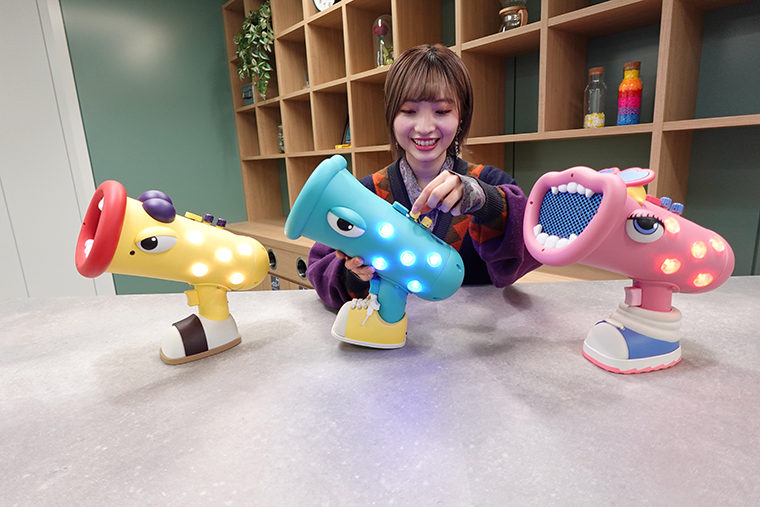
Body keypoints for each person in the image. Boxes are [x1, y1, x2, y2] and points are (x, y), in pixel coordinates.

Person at [306, 44, 541, 348]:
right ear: (392, 116)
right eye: (409, 111)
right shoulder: (365, 192)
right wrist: (355, 275)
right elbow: (319, 269)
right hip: (391, 345)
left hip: (481, 344)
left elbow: (529, 247)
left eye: (442, 111)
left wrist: (483, 200)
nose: (425, 127)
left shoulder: (489, 183)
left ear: (461, 116)